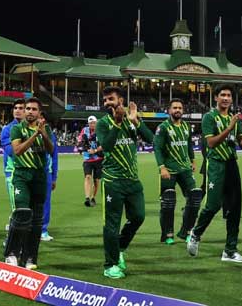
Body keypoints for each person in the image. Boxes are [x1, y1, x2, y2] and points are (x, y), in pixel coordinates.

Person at [187, 84, 242, 263]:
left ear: (232, 99)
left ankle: (230, 250)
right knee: (212, 205)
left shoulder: (235, 119)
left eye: (228, 95)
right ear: (216, 98)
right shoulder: (209, 117)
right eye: (222, 95)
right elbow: (211, 143)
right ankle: (195, 234)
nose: (226, 98)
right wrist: (230, 127)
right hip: (216, 165)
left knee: (235, 209)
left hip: (232, 164)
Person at [96, 86, 154, 279]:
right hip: (112, 181)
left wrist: (136, 121)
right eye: (105, 100)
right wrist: (118, 123)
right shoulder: (104, 123)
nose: (107, 103)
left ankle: (119, 247)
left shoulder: (131, 120)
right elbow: (107, 147)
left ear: (120, 100)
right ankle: (110, 264)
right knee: (111, 224)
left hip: (132, 180)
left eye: (110, 99)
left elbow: (151, 139)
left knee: (138, 217)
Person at [4, 97, 54, 270]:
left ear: (39, 113)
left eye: (34, 109)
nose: (30, 112)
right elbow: (17, 150)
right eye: (28, 109)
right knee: (22, 213)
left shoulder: (45, 128)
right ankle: (11, 254)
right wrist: (35, 134)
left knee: (37, 220)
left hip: (40, 176)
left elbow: (51, 150)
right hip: (22, 175)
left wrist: (44, 134)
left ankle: (30, 257)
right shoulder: (17, 129)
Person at [154, 98, 201, 245]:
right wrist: (162, 167)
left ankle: (186, 232)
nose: (177, 110)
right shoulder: (163, 127)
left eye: (180, 108)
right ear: (169, 110)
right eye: (174, 108)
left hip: (185, 169)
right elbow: (157, 148)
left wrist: (193, 160)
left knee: (195, 198)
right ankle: (167, 234)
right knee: (167, 202)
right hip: (169, 170)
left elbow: (189, 146)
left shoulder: (186, 126)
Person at [1, 99, 25, 212]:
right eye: (15, 108)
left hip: (30, 171)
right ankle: (15, 225)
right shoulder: (7, 130)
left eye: (21, 108)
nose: (17, 110)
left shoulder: (32, 128)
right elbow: (13, 151)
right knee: (16, 204)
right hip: (13, 172)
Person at [78, 115, 103, 207]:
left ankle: (93, 197)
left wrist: (95, 150)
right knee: (87, 177)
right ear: (88, 124)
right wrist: (82, 147)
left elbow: (104, 144)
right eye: (90, 123)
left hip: (98, 159)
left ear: (96, 123)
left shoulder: (100, 130)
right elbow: (80, 141)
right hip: (87, 159)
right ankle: (87, 198)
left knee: (96, 180)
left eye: (94, 123)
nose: (92, 124)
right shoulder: (84, 130)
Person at [41, 111, 58, 242]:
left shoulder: (50, 134)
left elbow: (54, 156)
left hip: (45, 173)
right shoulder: (25, 130)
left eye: (42, 117)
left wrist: (54, 177)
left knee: (46, 202)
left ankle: (43, 230)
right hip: (28, 172)